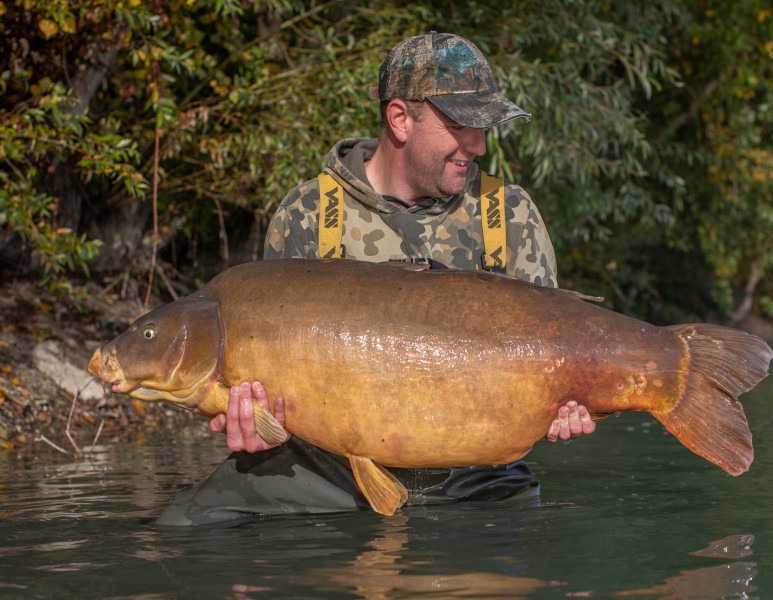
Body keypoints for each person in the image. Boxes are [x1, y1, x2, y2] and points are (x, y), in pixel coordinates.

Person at [156, 32, 595, 526]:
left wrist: (571, 403)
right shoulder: (308, 214)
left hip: (475, 477)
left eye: (484, 126)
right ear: (400, 118)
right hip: (326, 471)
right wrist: (255, 422)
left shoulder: (508, 214)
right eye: (461, 125)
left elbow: (561, 354)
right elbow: (266, 385)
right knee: (186, 527)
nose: (478, 144)